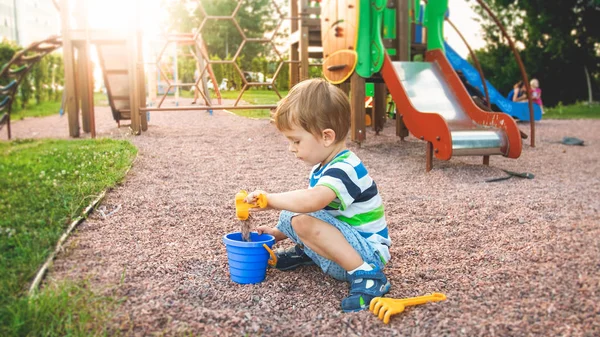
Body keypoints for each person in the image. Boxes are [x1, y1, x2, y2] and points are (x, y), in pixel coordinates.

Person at [244, 78, 392, 312]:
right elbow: (316, 209)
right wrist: (276, 233)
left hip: (365, 253)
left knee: (300, 213)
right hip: (344, 249)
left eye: (296, 140)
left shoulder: (346, 168)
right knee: (294, 210)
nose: (291, 148)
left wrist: (269, 200)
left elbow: (313, 202)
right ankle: (310, 253)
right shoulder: (323, 166)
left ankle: (369, 276)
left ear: (326, 137)